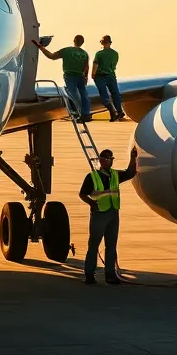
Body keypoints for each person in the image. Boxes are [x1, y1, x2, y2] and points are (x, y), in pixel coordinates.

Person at [79, 146, 138, 284]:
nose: (109, 162)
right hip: (99, 213)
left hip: (113, 213)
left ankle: (110, 274)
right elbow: (82, 194)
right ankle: (89, 274)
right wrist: (91, 204)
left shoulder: (115, 175)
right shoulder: (92, 176)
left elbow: (130, 173)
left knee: (111, 245)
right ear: (100, 161)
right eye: (106, 159)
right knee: (94, 245)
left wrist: (133, 157)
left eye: (111, 159)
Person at [35, 35, 92, 122]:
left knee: (73, 94)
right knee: (84, 94)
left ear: (74, 41)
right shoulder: (85, 53)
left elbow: (51, 56)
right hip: (81, 76)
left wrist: (41, 47)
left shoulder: (67, 50)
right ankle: (87, 113)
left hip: (70, 76)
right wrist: (86, 77)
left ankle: (79, 113)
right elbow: (87, 67)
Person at [92, 35, 125, 122]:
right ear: (110, 43)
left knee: (104, 96)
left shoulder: (99, 54)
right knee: (115, 94)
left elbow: (95, 65)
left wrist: (93, 75)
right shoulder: (115, 54)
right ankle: (119, 111)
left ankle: (112, 111)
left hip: (101, 76)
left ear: (103, 43)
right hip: (111, 75)